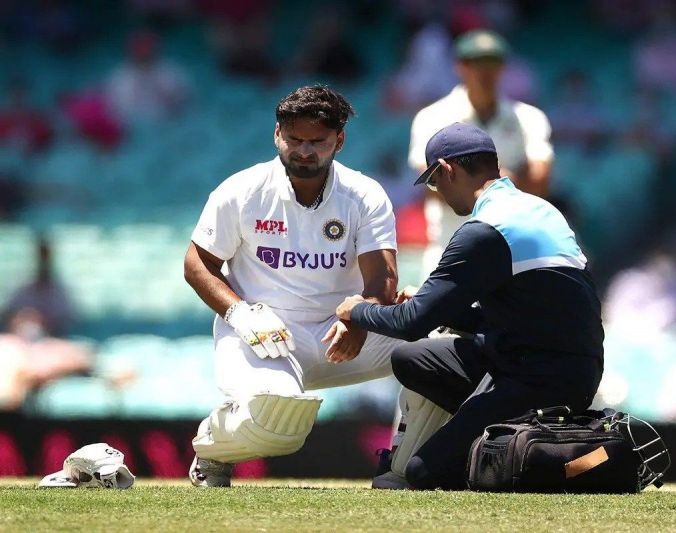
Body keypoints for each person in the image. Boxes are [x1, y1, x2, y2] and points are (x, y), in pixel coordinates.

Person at [336, 123, 604, 490]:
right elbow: (523, 316)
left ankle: (528, 450)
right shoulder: (539, 210)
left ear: (447, 170)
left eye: (434, 182)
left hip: (537, 380)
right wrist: (435, 306)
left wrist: (355, 310)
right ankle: (490, 434)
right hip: (561, 367)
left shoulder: (485, 229)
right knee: (410, 358)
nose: (437, 193)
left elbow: (412, 323)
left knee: (423, 473)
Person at [183, 85, 404, 487]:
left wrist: (359, 319)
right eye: (294, 139)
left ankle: (410, 465)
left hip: (344, 333)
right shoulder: (242, 191)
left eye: (317, 142)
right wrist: (239, 312)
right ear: (276, 136)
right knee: (280, 428)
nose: (304, 151)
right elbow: (198, 263)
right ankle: (211, 450)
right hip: (264, 337)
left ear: (339, 140)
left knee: (438, 344)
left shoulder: (364, 195)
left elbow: (382, 279)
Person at [407, 29, 553, 280]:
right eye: (477, 63)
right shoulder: (432, 117)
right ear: (460, 66)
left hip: (513, 253)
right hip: (451, 251)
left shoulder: (530, 118)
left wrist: (466, 181)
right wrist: (506, 182)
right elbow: (429, 184)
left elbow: (540, 182)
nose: (486, 72)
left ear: (503, 67)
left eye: (493, 63)